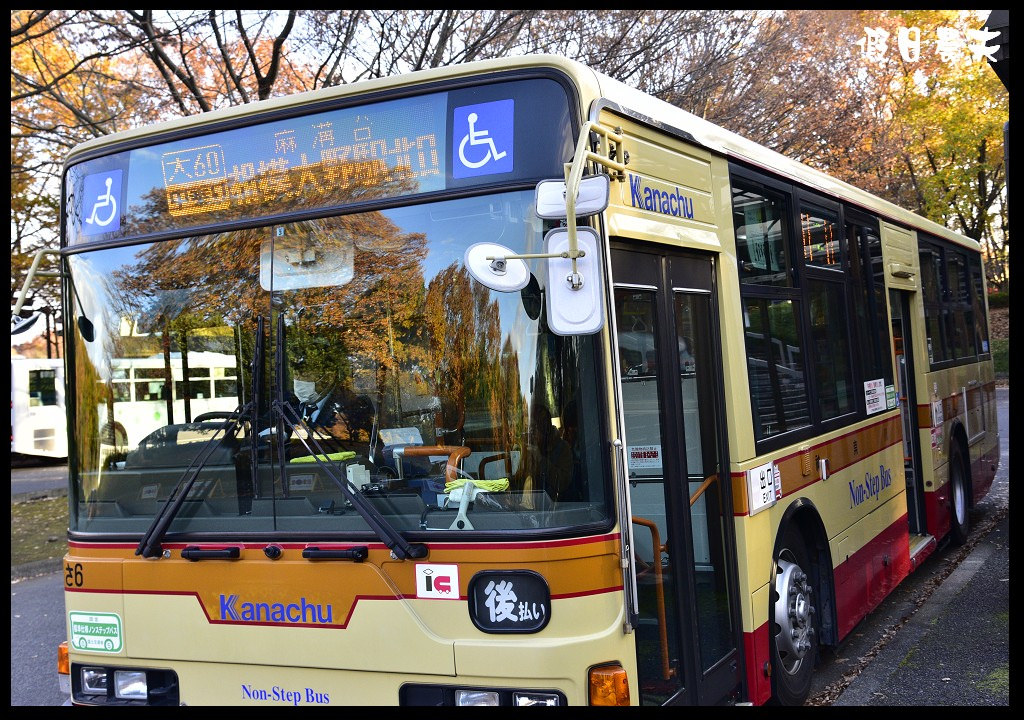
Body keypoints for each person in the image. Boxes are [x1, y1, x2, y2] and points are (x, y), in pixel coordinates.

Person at [516, 404, 573, 506]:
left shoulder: (562, 448)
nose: (529, 434)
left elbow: (562, 483)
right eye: (526, 429)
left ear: (544, 429)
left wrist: (540, 460)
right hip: (529, 506)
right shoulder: (529, 448)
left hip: (553, 509)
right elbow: (520, 482)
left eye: (532, 429)